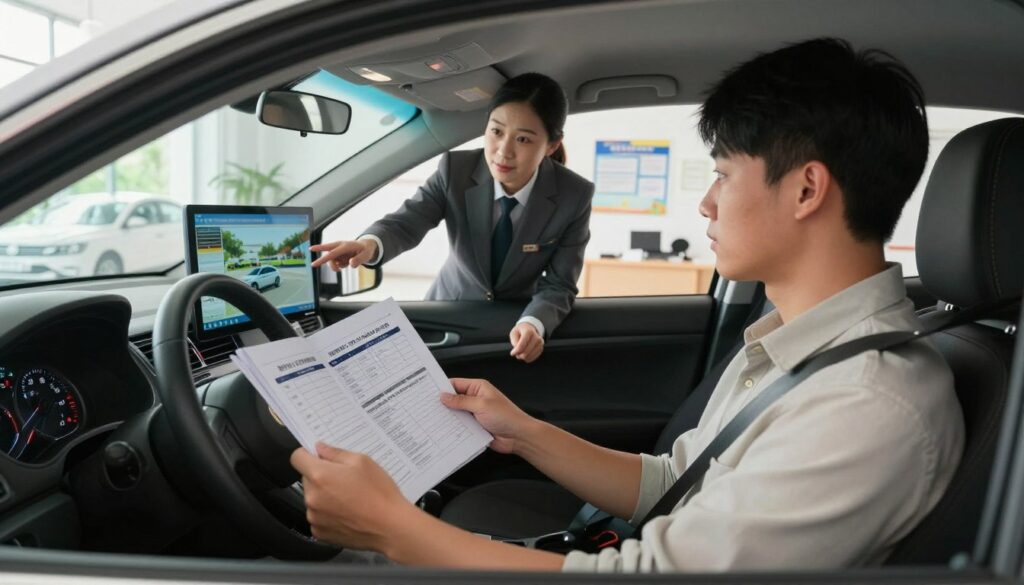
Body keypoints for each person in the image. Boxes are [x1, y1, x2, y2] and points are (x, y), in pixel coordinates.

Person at [290, 38, 964, 572]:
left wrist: (397, 529)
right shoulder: (797, 343)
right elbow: (677, 479)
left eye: (724, 175)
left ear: (807, 189)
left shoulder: (867, 402)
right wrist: (521, 428)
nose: (705, 203)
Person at [311, 73, 594, 363]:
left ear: (551, 145)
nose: (503, 151)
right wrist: (369, 245)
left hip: (514, 329)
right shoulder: (455, 170)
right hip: (447, 319)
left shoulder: (574, 196)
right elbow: (408, 221)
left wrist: (534, 324)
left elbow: (560, 284)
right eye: (496, 132)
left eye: (523, 139)